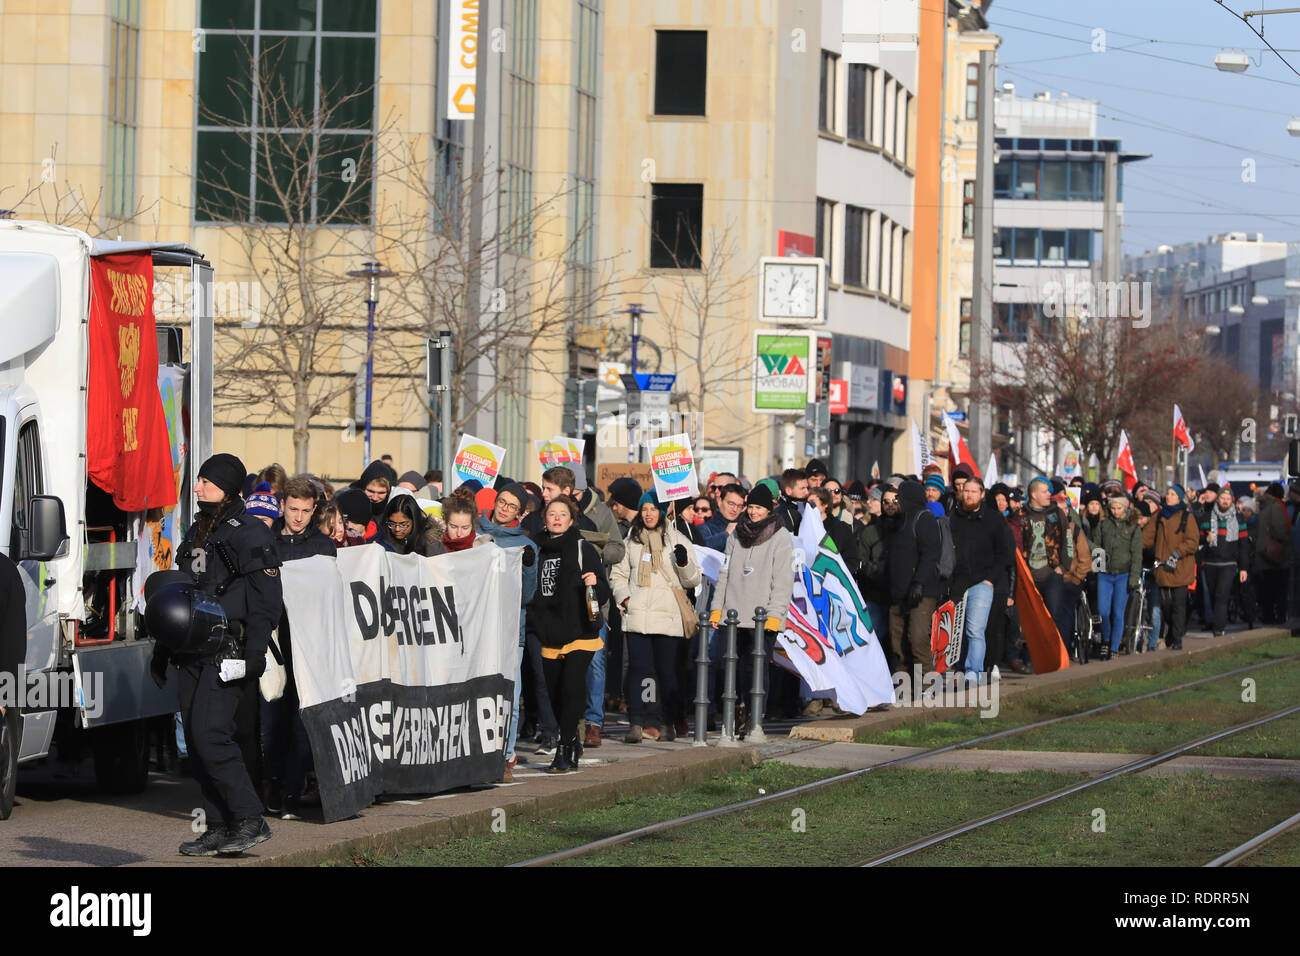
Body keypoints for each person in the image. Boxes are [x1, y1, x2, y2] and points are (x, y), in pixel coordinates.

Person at [149, 453, 282, 856]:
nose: (199, 486)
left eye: (207, 481)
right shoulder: (198, 531)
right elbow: (180, 594)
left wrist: (255, 656)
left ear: (227, 486)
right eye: (200, 480)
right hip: (192, 651)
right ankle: (220, 825)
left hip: (230, 651)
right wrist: (162, 649)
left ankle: (249, 818)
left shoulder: (249, 534)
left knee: (211, 737)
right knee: (194, 738)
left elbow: (266, 602)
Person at [263, 476, 336, 819]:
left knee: (300, 720)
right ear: (282, 505)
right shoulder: (266, 542)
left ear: (314, 510)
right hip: (274, 642)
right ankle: (272, 785)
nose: (298, 517)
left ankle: (291, 790)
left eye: (305, 511)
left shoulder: (323, 546)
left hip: (308, 644)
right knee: (271, 718)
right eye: (293, 509)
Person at [527, 496, 610, 772]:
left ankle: (563, 749)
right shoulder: (535, 548)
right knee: (554, 694)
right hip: (549, 632)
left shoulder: (581, 548)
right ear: (545, 518)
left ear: (571, 520)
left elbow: (603, 591)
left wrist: (594, 582)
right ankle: (572, 736)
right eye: (552, 514)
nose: (557, 518)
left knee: (571, 687)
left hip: (580, 632)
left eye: (563, 514)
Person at [610, 492, 701, 742]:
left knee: (666, 672)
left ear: (662, 511)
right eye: (644, 509)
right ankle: (637, 722)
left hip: (668, 617)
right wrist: (625, 598)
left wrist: (683, 562)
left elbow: (693, 580)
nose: (648, 513)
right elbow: (617, 574)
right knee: (639, 670)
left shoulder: (676, 539)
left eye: (653, 508)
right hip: (637, 615)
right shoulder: (631, 541)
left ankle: (667, 721)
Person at [708, 483, 793, 729]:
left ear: (768, 510)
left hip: (762, 615)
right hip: (733, 614)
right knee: (729, 666)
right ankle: (737, 708)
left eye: (759, 508)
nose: (754, 512)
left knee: (755, 668)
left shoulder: (780, 536)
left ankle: (755, 715)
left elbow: (783, 581)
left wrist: (776, 615)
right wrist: (717, 609)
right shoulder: (736, 534)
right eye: (751, 507)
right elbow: (724, 574)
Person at [478, 483, 538, 781]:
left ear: (521, 512)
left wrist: (526, 568)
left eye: (511, 506)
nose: (504, 508)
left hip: (512, 632)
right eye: (502, 501)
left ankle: (505, 756)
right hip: (477, 629)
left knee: (509, 698)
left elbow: (527, 596)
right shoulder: (476, 534)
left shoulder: (526, 546)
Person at [947, 476, 1011, 682]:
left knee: (975, 629)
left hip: (982, 582)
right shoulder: (953, 517)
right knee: (956, 629)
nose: (968, 495)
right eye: (965, 490)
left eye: (973, 491)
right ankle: (957, 668)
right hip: (957, 581)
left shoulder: (993, 519)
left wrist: (990, 579)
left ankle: (973, 671)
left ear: (982, 494)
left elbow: (1004, 553)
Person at [887, 480, 941, 689]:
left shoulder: (924, 519)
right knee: (897, 643)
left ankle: (927, 686)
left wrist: (918, 583)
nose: (895, 502)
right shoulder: (899, 521)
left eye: (899, 498)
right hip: (898, 593)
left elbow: (930, 554)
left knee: (918, 639)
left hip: (921, 592)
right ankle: (903, 686)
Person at [1149, 485, 1201, 650]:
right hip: (1163, 569)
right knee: (1166, 606)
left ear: (1179, 498)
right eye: (1168, 493)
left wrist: (1177, 553)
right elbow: (1147, 538)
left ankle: (1177, 638)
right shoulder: (1158, 516)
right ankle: (1172, 632)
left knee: (1179, 604)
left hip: (1180, 568)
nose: (1168, 496)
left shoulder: (1187, 517)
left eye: (1172, 494)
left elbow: (1193, 542)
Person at [1094, 494, 1143, 658]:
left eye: (1119, 508)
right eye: (1113, 508)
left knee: (1118, 612)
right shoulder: (1103, 525)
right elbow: (1097, 548)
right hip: (1105, 574)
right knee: (1103, 611)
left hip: (1124, 574)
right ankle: (1106, 640)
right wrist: (1097, 569)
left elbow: (1137, 555)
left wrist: (1134, 577)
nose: (1116, 512)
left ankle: (1114, 647)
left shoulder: (1134, 527)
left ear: (1125, 508)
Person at [1200, 487, 1251, 636]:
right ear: (1218, 499)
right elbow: (1198, 539)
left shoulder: (1239, 518)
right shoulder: (1207, 518)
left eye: (1228, 499)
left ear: (1232, 501)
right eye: (1223, 498)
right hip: (1210, 563)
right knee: (1213, 594)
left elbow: (1243, 545)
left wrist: (1243, 568)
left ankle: (1218, 628)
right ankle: (1218, 621)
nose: (1225, 501)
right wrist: (1205, 539)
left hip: (1229, 564)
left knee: (1222, 595)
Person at [1253, 482, 1292, 625]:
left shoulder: (1262, 506)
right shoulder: (1277, 507)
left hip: (1262, 554)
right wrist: (1288, 540)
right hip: (1276, 555)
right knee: (1280, 588)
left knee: (1267, 590)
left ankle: (1267, 615)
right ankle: (1279, 617)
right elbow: (1279, 531)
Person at [807, 487, 860, 573]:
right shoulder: (803, 527)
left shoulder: (841, 529)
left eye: (812, 502)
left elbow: (851, 560)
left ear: (825, 504)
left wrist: (834, 574)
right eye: (807, 502)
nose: (808, 505)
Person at [377, 494, 441, 556]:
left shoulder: (431, 544)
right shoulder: (381, 540)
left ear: (414, 521)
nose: (397, 529)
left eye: (403, 524)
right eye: (392, 523)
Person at [701, 483, 746, 551]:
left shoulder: (745, 528)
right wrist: (726, 534)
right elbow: (702, 550)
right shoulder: (705, 528)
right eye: (731, 504)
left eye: (739, 506)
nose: (735, 509)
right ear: (720, 501)